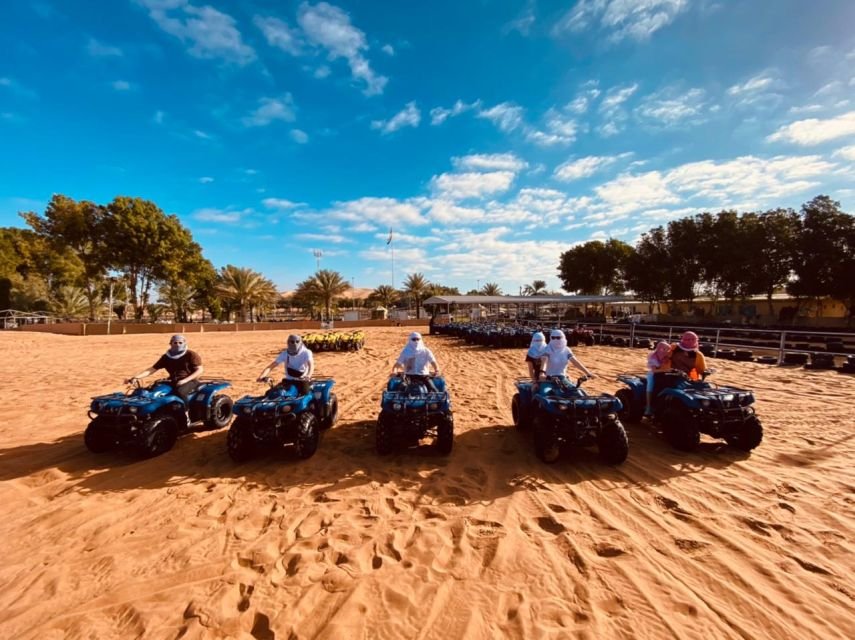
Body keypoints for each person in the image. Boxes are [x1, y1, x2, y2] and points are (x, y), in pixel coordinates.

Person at [126, 334, 204, 402]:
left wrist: (184, 380)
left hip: (190, 381)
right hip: (173, 380)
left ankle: (186, 413)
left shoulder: (191, 354)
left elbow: (199, 370)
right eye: (175, 342)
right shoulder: (166, 356)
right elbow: (152, 369)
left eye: (180, 343)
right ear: (170, 344)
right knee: (153, 390)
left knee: (180, 392)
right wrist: (136, 377)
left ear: (184, 343)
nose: (178, 345)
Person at [644, 341, 672, 417]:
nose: (668, 351)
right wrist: (665, 370)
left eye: (668, 349)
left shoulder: (666, 357)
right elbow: (654, 370)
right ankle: (648, 406)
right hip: (653, 374)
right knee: (650, 386)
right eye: (666, 349)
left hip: (663, 374)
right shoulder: (653, 357)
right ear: (661, 349)